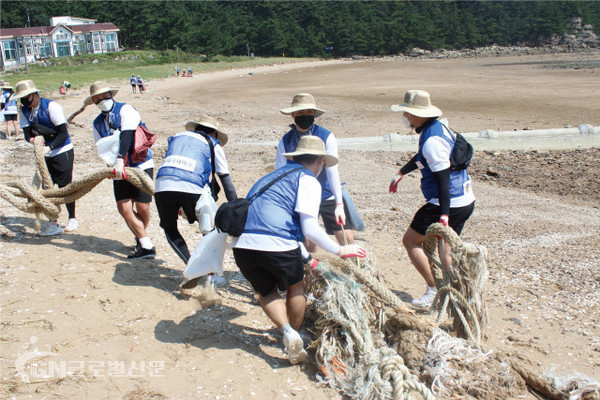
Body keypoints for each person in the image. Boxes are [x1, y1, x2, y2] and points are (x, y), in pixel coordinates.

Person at [233, 135, 367, 364]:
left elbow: (280, 224)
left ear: (294, 157)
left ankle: (287, 332)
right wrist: (340, 250)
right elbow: (310, 229)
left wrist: (308, 259)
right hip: (275, 244)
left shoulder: (270, 177)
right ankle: (297, 335)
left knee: (267, 292)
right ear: (321, 161)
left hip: (242, 246)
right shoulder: (308, 180)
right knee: (296, 287)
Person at [389, 90, 475, 309]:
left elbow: (443, 179)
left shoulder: (432, 142)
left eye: (408, 113)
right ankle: (456, 293)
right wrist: (400, 173)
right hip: (465, 199)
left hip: (446, 203)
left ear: (419, 114)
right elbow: (421, 160)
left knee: (410, 241)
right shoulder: (439, 127)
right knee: (445, 248)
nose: (406, 117)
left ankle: (434, 288)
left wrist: (444, 214)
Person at [154, 116, 238, 289]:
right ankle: (212, 276)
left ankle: (192, 265)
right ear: (214, 133)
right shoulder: (213, 144)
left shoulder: (177, 137)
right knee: (210, 230)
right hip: (191, 186)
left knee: (169, 228)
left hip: (162, 184)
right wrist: (236, 207)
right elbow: (225, 180)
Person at [275, 93, 361, 249]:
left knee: (346, 238)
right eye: (301, 112)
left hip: (326, 193)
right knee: (308, 243)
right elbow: (280, 175)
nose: (305, 116)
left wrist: (339, 203)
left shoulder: (327, 137)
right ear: (293, 114)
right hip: (300, 196)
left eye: (309, 112)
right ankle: (310, 270)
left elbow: (332, 171)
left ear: (314, 113)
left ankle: (357, 268)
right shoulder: (285, 141)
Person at [85, 81, 156, 259]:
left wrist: (119, 160)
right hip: (117, 169)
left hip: (140, 165)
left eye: (104, 96)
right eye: (97, 98)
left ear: (111, 94)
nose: (102, 100)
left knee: (143, 207)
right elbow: (101, 146)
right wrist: (112, 166)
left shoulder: (126, 110)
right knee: (124, 208)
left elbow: (127, 135)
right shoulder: (97, 123)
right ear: (93, 101)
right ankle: (146, 243)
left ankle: (139, 235)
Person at [14, 80, 79, 235]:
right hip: (43, 153)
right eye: (21, 99)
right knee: (47, 188)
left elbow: (63, 133)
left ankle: (72, 217)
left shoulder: (51, 107)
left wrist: (49, 147)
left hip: (61, 150)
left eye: (26, 98)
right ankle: (53, 222)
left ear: (34, 95)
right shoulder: (24, 112)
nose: (24, 102)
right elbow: (27, 134)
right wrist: (35, 142)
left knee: (64, 186)